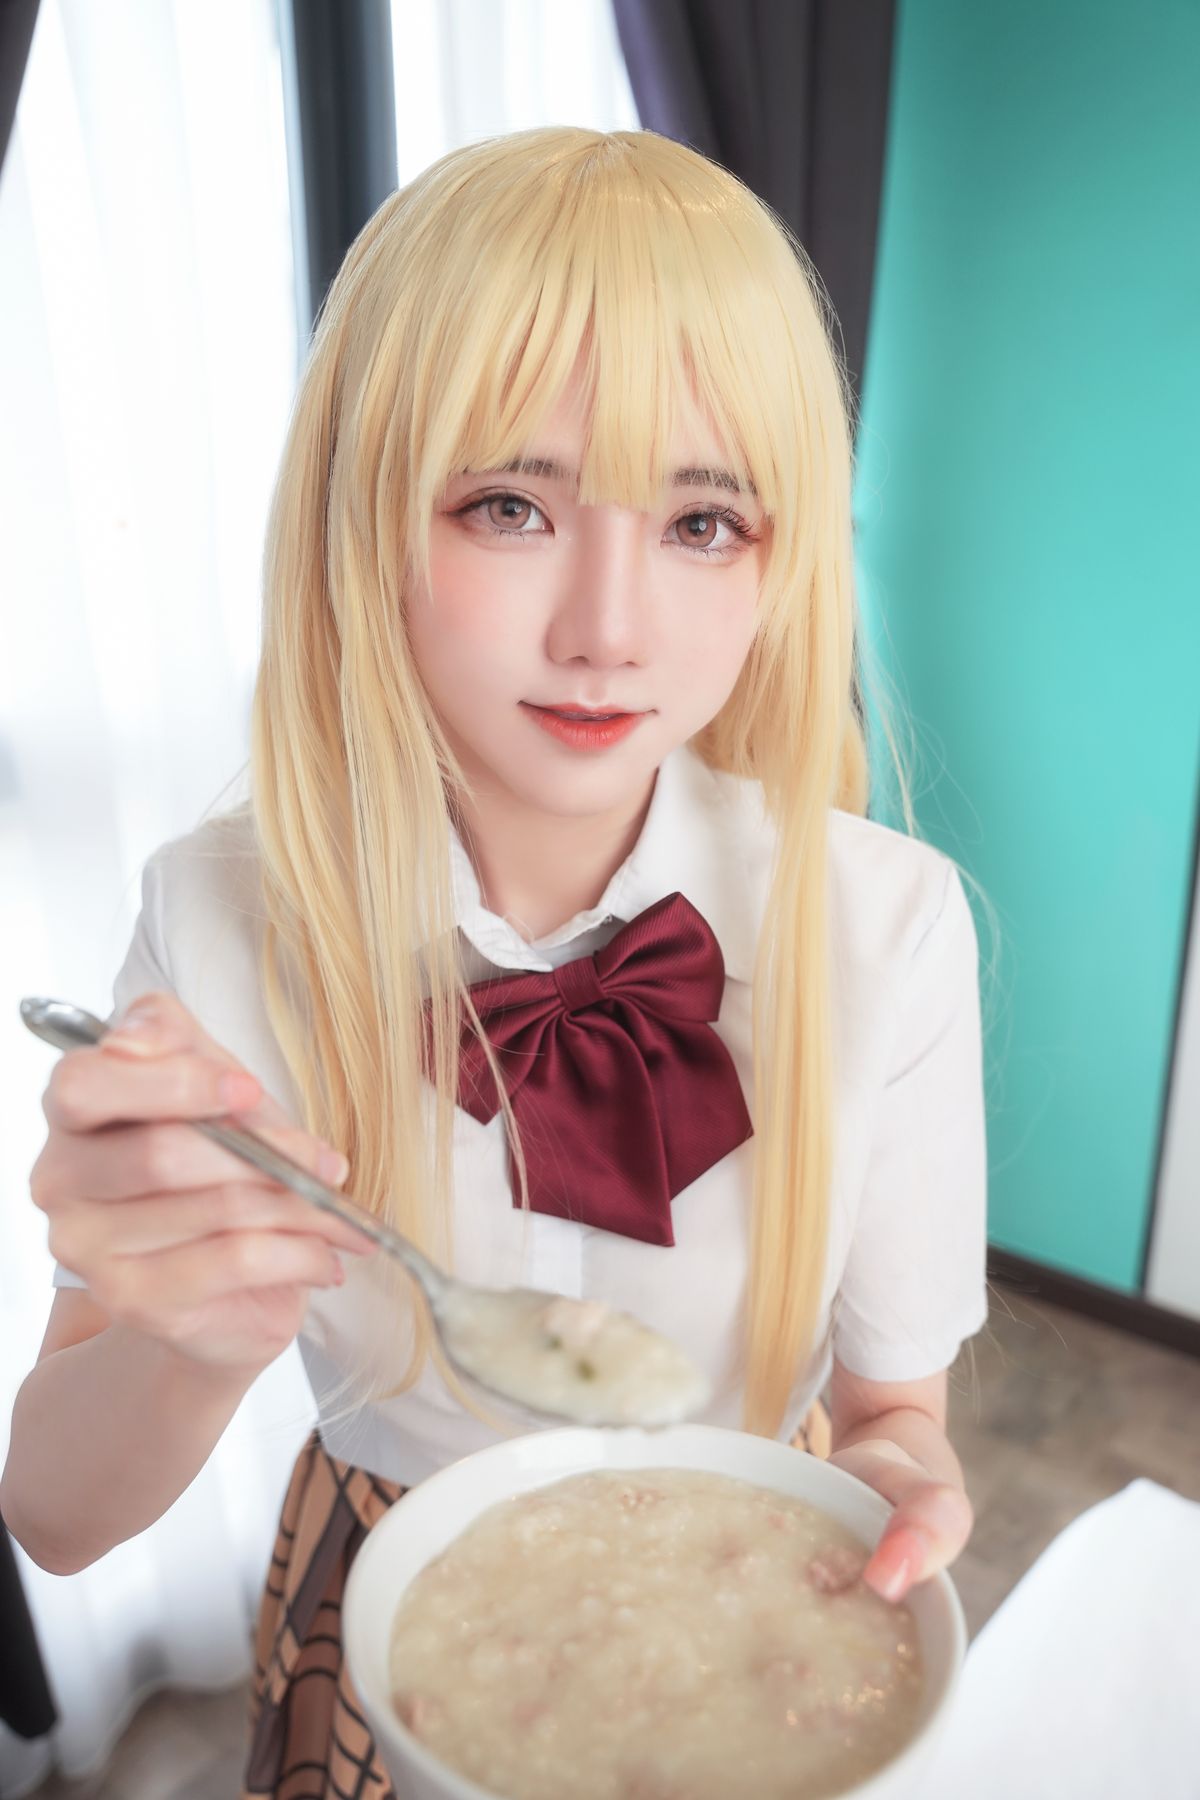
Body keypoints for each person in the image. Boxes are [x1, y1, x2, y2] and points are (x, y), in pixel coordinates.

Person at [1, 126, 987, 1797]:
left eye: (703, 522)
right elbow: (54, 1515)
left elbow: (898, 1416)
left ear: (785, 560)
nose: (607, 629)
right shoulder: (218, 920)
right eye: (510, 506)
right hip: (380, 1612)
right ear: (362, 519)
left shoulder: (887, 927)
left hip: (753, 1595)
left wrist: (895, 1476)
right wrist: (188, 1333)